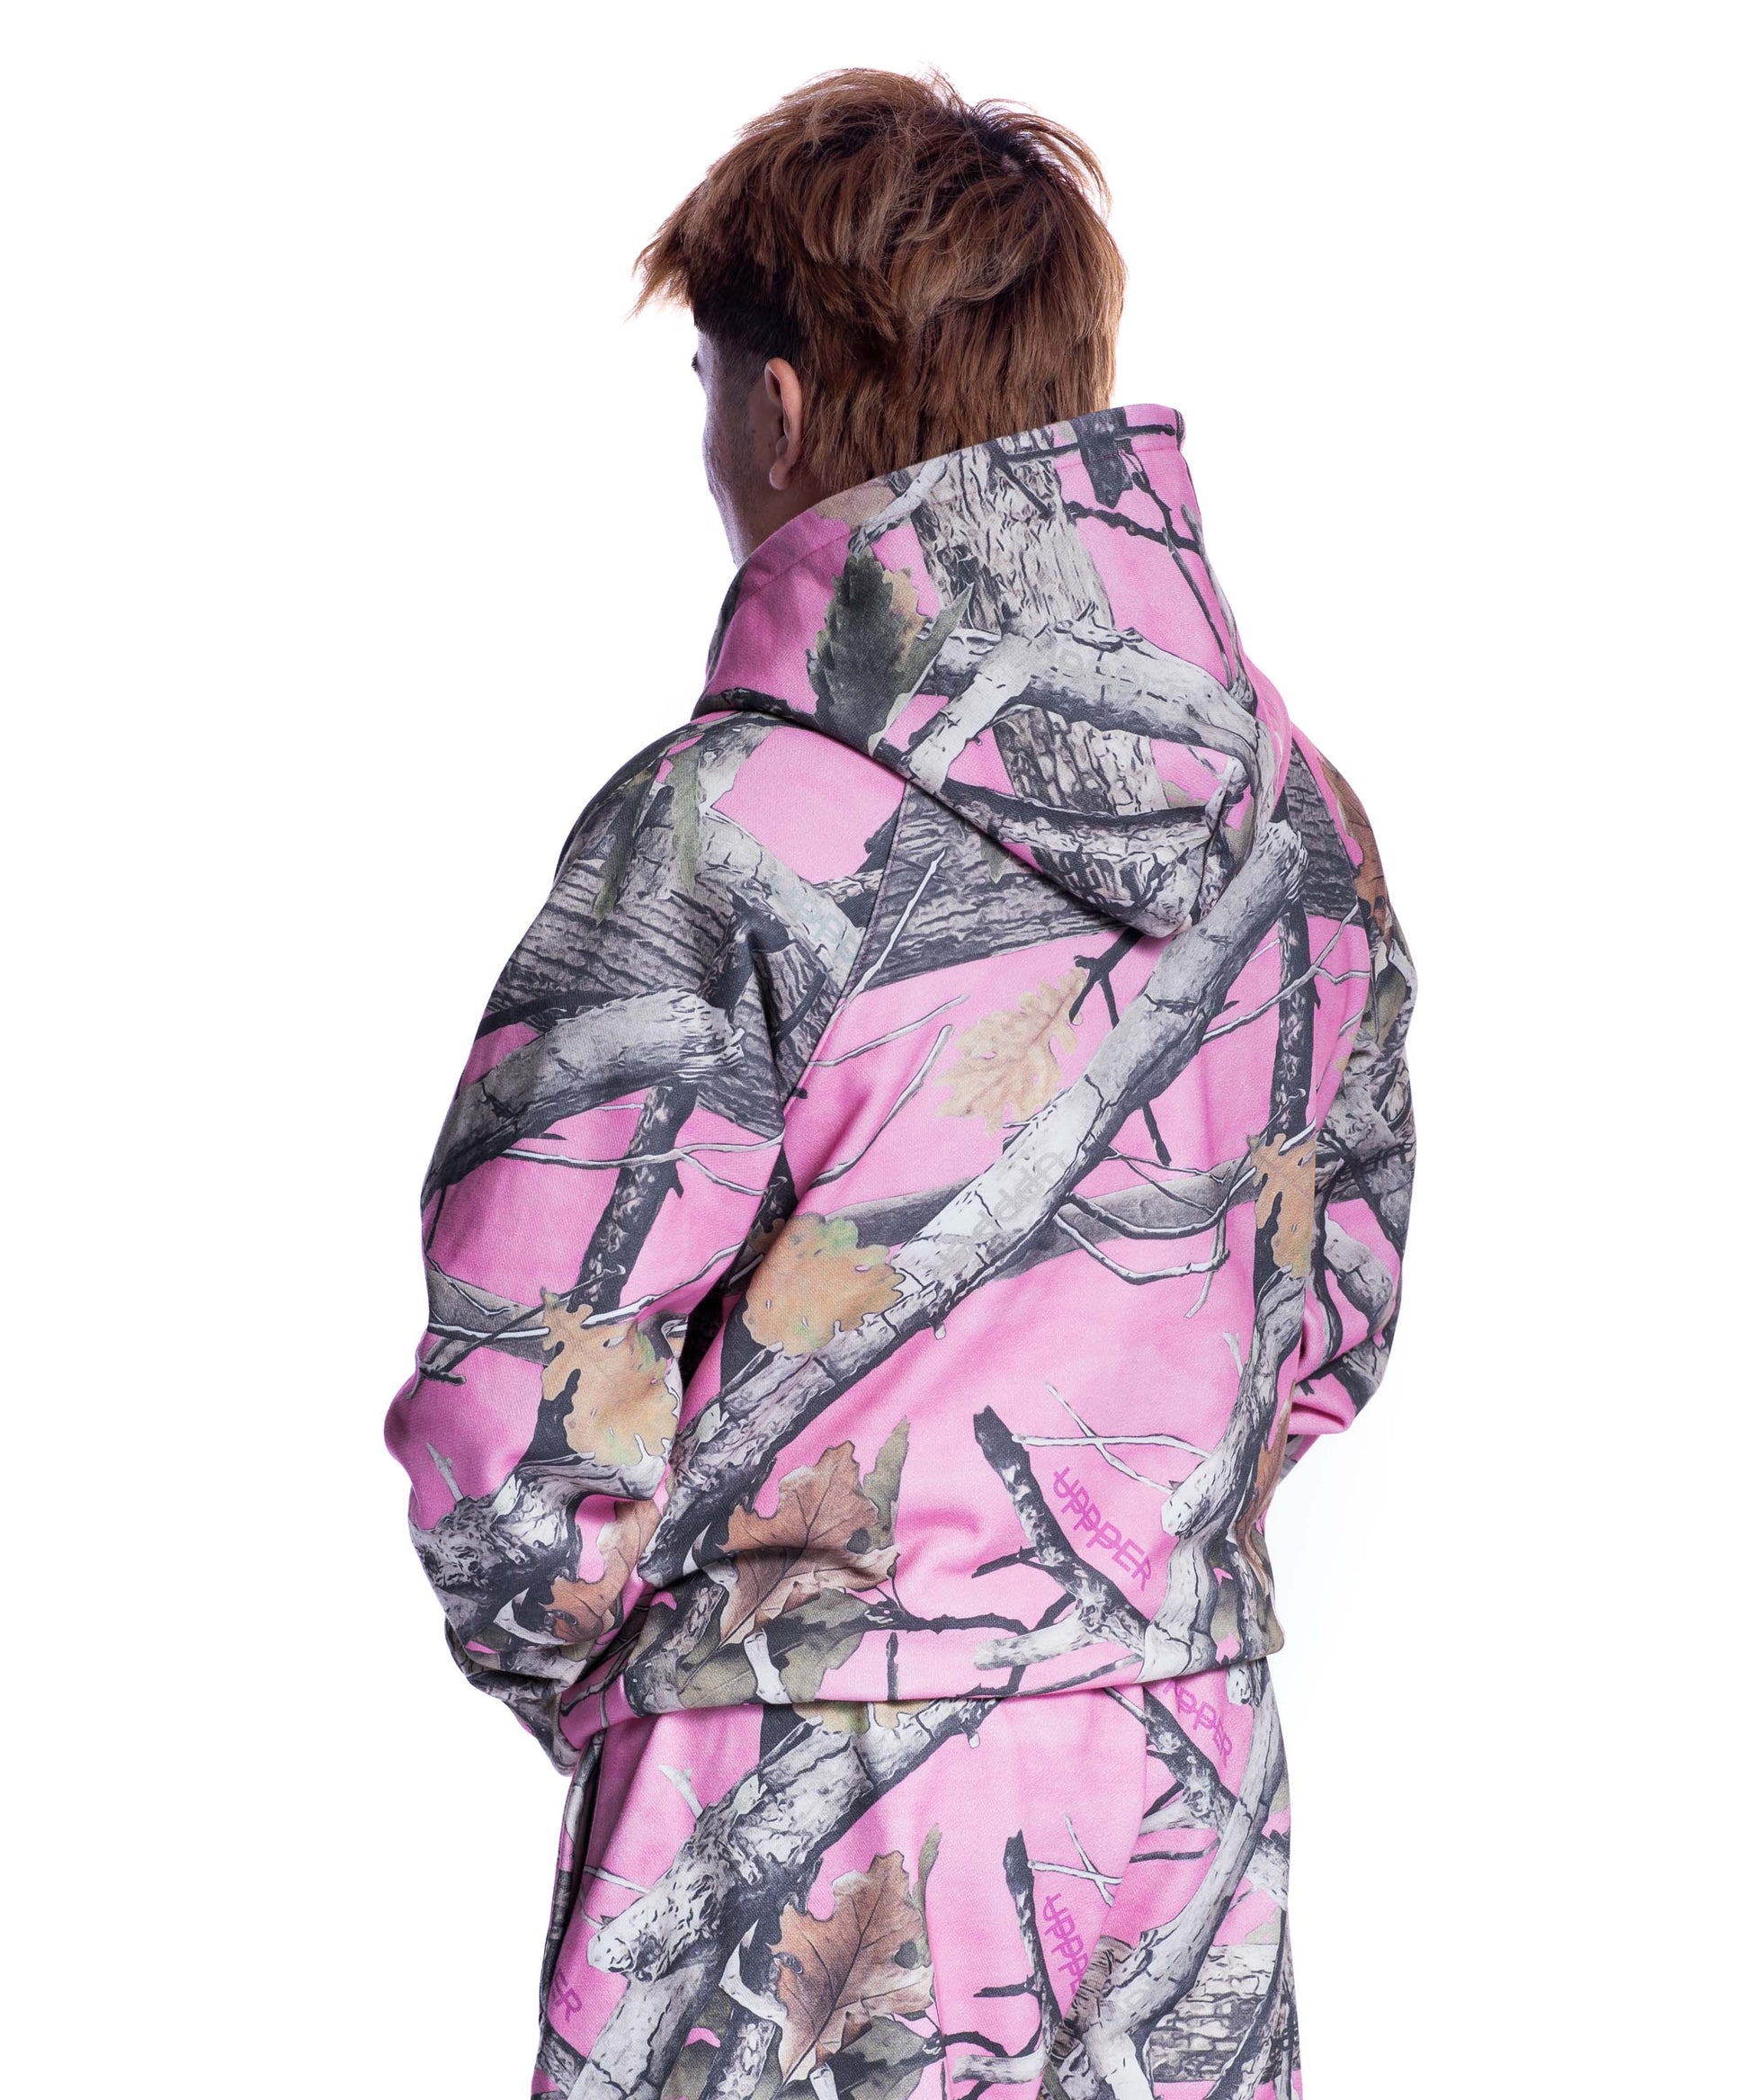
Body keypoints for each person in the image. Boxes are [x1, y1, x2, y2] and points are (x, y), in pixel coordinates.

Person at [387, 67, 1415, 2100]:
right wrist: (1115, 1581)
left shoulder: (730, 826)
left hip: (791, 1793)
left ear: (778, 406)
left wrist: (681, 1676)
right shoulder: (1302, 829)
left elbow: (518, 1391)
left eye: (708, 383)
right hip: (1174, 1783)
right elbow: (1334, 1304)